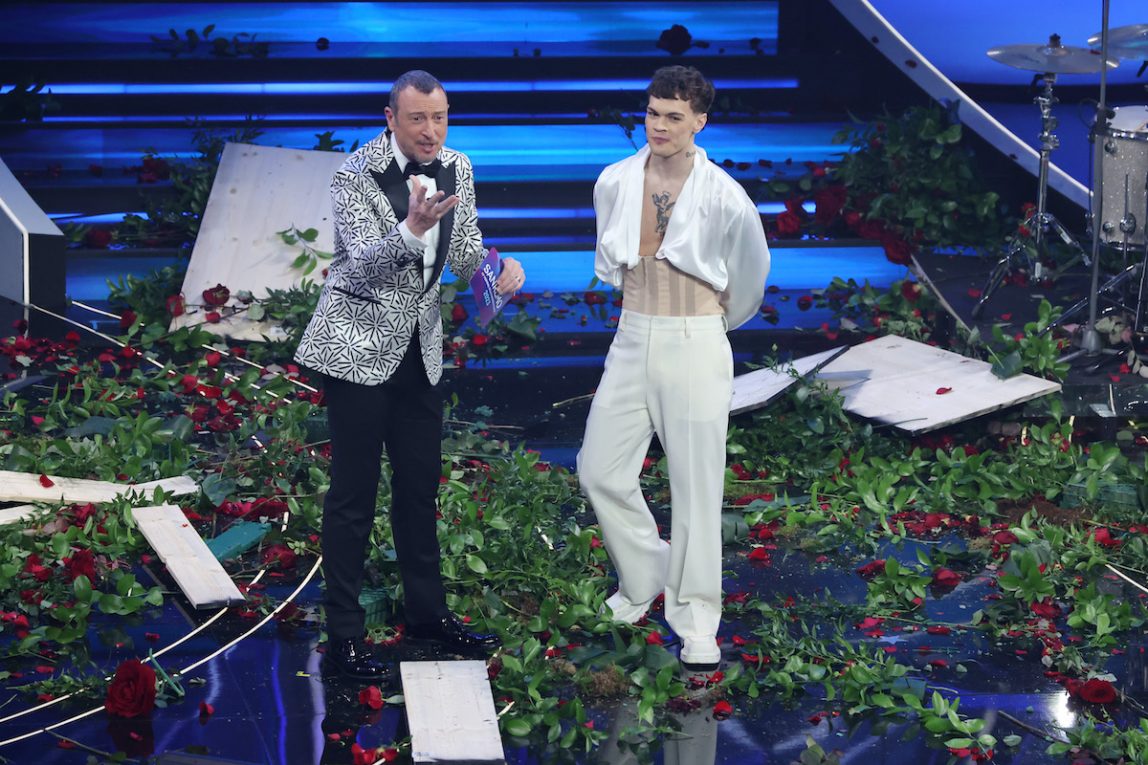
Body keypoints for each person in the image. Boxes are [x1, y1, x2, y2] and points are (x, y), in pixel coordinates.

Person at [295, 70, 525, 681]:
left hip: (419, 352)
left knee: (420, 488)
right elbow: (362, 264)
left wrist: (499, 269)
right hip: (358, 349)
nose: (431, 131)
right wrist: (412, 229)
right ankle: (344, 637)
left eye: (439, 117)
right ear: (391, 118)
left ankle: (427, 616)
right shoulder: (354, 174)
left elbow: (465, 246)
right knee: (353, 496)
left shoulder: (457, 167)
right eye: (418, 118)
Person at [577, 65, 770, 672]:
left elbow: (750, 279)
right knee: (598, 469)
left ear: (699, 122)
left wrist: (707, 328)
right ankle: (645, 574)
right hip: (632, 335)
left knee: (695, 488)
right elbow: (613, 260)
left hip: (695, 339)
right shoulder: (614, 180)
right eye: (653, 114)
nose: (658, 126)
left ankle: (696, 618)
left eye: (673, 117)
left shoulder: (725, 196)